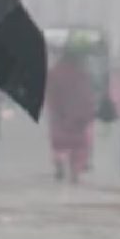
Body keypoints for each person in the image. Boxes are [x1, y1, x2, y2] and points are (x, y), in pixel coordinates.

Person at [46, 47, 97, 183]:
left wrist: (53, 108)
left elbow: (50, 94)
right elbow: (87, 95)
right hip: (78, 115)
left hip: (59, 113)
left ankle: (59, 163)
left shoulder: (55, 72)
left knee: (59, 143)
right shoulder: (82, 74)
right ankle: (74, 171)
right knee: (78, 145)